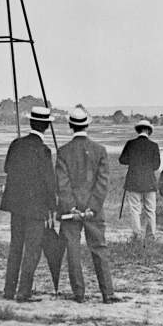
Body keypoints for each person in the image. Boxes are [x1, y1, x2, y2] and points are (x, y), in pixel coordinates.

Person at [56, 107, 118, 303]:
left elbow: (62, 183)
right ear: (87, 125)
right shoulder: (100, 150)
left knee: (72, 250)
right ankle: (107, 294)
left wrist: (71, 207)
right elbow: (103, 182)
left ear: (70, 126)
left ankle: (79, 294)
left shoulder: (63, 151)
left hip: (70, 212)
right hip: (94, 211)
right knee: (99, 248)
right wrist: (93, 206)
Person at [0, 107, 57, 302]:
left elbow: (7, 168)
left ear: (31, 122)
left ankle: (9, 290)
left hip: (16, 206)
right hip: (36, 208)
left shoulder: (16, 144)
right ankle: (24, 292)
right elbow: (50, 183)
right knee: (32, 250)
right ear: (47, 126)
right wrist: (52, 206)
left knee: (15, 247)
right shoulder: (44, 151)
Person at [119, 119, 161, 240]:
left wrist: (133, 161)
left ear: (138, 130)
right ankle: (151, 234)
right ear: (148, 130)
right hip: (149, 181)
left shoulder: (130, 143)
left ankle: (137, 234)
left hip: (134, 180)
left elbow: (122, 160)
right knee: (150, 209)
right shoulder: (154, 145)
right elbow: (156, 165)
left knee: (135, 209)